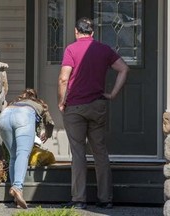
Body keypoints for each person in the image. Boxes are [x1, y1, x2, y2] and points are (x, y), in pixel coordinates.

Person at [58, 17, 129, 209]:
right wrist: (112, 94)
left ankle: (79, 200)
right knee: (100, 151)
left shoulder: (71, 50)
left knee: (78, 153)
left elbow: (64, 79)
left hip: (75, 107)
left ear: (76, 31)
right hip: (98, 105)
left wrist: (61, 102)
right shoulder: (104, 49)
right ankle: (105, 199)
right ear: (93, 32)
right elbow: (123, 68)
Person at [0, 88, 54, 209]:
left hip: (4, 116)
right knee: (22, 154)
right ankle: (17, 188)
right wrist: (48, 134)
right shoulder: (39, 104)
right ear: (35, 97)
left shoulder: (14, 103)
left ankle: (16, 197)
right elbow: (50, 123)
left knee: (13, 156)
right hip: (23, 117)